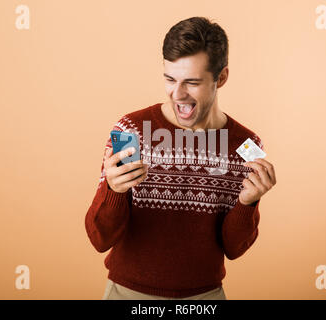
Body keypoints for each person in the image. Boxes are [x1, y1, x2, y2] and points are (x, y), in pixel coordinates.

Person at [85, 16, 277, 300]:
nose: (178, 94)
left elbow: (234, 249)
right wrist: (113, 191)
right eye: (170, 79)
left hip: (204, 298)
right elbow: (99, 239)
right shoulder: (131, 131)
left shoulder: (246, 146)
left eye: (192, 82)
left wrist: (248, 203)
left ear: (221, 78)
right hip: (128, 294)